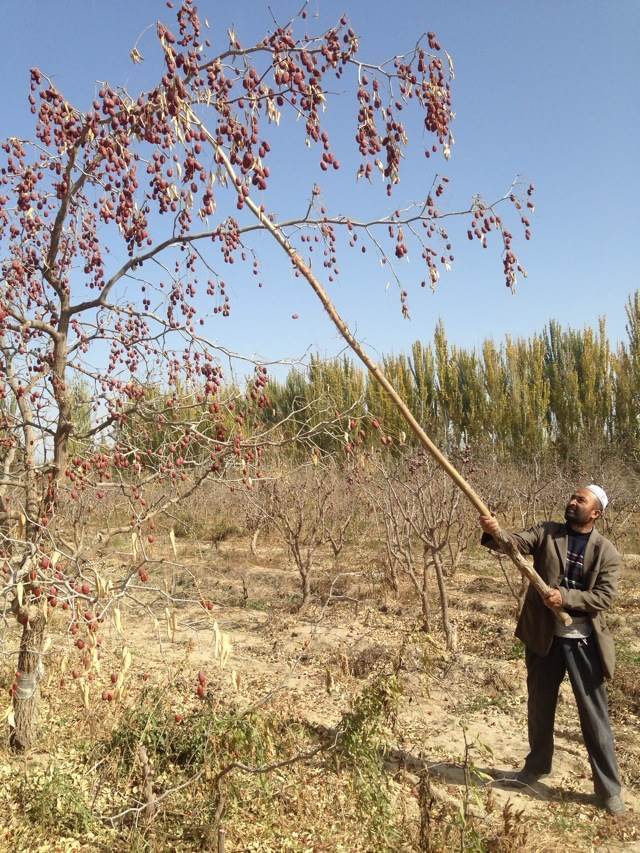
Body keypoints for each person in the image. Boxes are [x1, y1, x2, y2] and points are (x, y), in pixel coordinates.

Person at [479, 485, 625, 816]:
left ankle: (609, 789)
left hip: (583, 641)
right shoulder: (546, 532)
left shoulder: (607, 552)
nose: (572, 502)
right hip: (544, 637)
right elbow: (514, 544)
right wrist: (495, 532)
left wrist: (567, 598)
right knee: (540, 705)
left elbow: (603, 597)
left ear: (595, 513)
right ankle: (536, 768)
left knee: (594, 716)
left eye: (581, 500)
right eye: (572, 497)